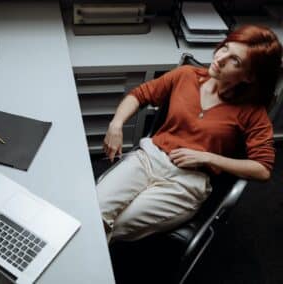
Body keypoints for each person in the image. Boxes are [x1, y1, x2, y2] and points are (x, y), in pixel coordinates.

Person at [97, 25, 282, 243]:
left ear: (249, 77)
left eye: (236, 61)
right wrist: (116, 125)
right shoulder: (185, 76)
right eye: (225, 48)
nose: (220, 58)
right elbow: (139, 95)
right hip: (148, 159)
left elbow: (262, 170)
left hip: (187, 183)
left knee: (115, 227)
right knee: (96, 213)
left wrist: (208, 157)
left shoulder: (253, 113)